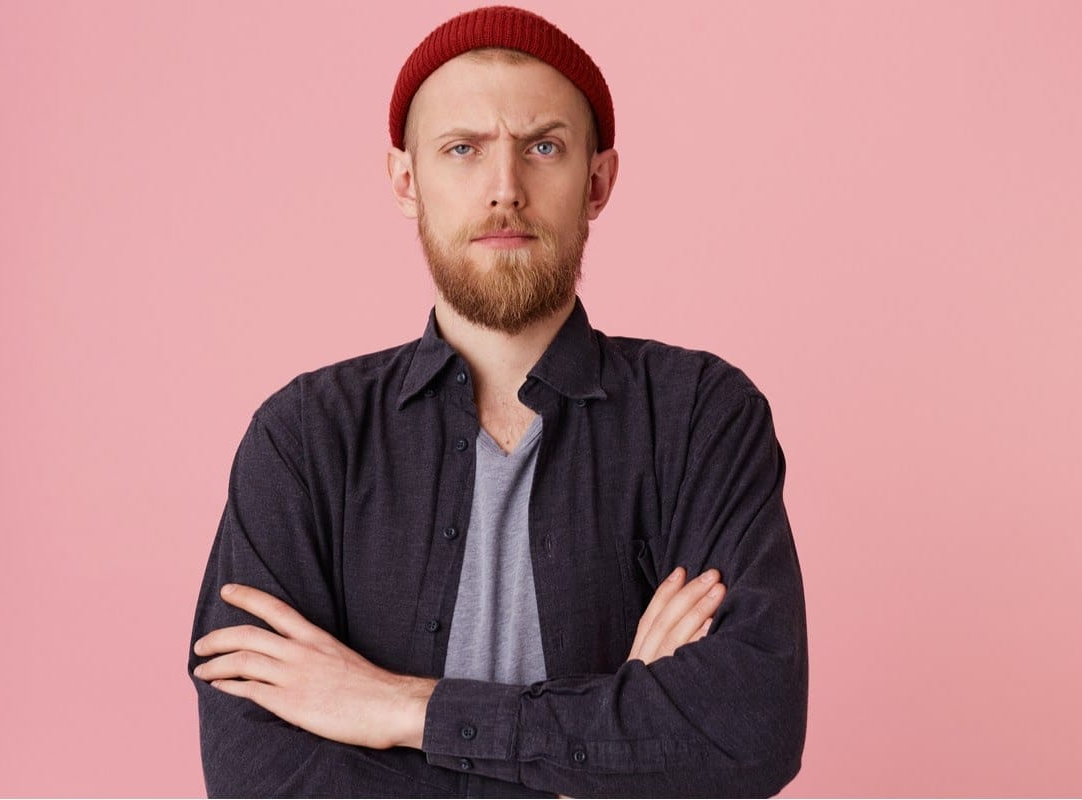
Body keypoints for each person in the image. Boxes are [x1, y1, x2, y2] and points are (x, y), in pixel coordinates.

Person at [186, 5, 807, 797]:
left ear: (599, 181)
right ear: (407, 182)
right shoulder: (304, 440)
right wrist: (614, 744)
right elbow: (256, 777)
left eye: (543, 146)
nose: (504, 189)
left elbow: (748, 730)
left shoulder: (699, 418)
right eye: (463, 149)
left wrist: (400, 709)